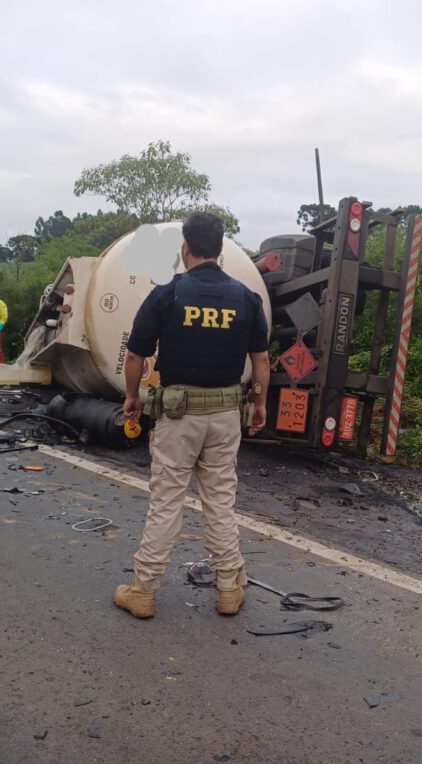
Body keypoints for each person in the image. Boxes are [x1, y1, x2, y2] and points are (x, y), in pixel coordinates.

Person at [114, 212, 270, 620]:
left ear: (185, 249)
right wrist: (260, 404)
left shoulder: (167, 294)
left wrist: (132, 396)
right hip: (225, 416)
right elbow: (261, 359)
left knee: (167, 501)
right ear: (220, 250)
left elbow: (135, 354)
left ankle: (143, 591)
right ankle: (229, 589)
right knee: (220, 502)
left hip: (178, 417)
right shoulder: (246, 298)